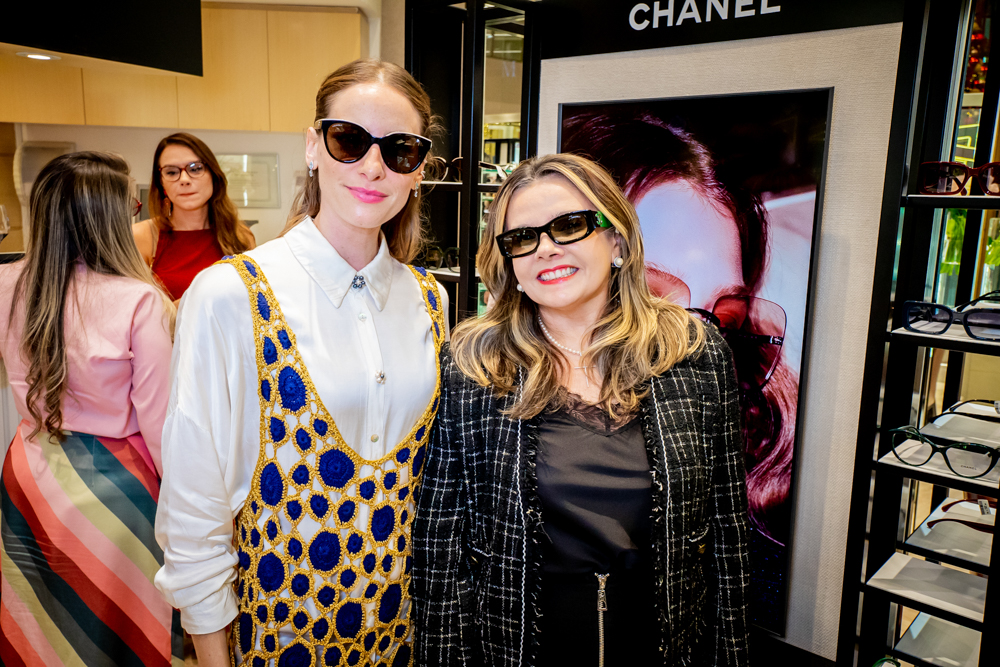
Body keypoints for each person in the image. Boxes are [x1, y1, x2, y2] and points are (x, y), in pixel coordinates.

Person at [154, 59, 447, 667]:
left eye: (400, 150)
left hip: (408, 637)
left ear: (418, 170)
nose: (373, 166)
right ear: (314, 146)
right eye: (349, 139)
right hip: (279, 636)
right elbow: (194, 506)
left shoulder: (431, 301)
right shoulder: (232, 294)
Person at [413, 154, 750, 666]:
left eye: (569, 225)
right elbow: (441, 550)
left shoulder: (693, 353)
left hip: (662, 650)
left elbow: (728, 536)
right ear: (510, 265)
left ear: (616, 239)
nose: (545, 248)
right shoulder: (475, 367)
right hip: (519, 650)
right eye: (522, 238)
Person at [561, 114, 796, 613]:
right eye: (651, 300)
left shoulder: (763, 492)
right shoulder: (491, 411)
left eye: (723, 318)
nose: (695, 347)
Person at [0, 152, 179, 665]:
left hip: (28, 472)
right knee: (111, 635)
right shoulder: (140, 301)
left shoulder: (7, 284)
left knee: (38, 626)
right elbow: (161, 425)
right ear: (110, 217)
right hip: (115, 487)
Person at [133, 132, 256, 301]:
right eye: (171, 172)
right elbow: (130, 313)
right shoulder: (141, 237)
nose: (184, 179)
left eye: (195, 169)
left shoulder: (242, 236)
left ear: (213, 175)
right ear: (161, 182)